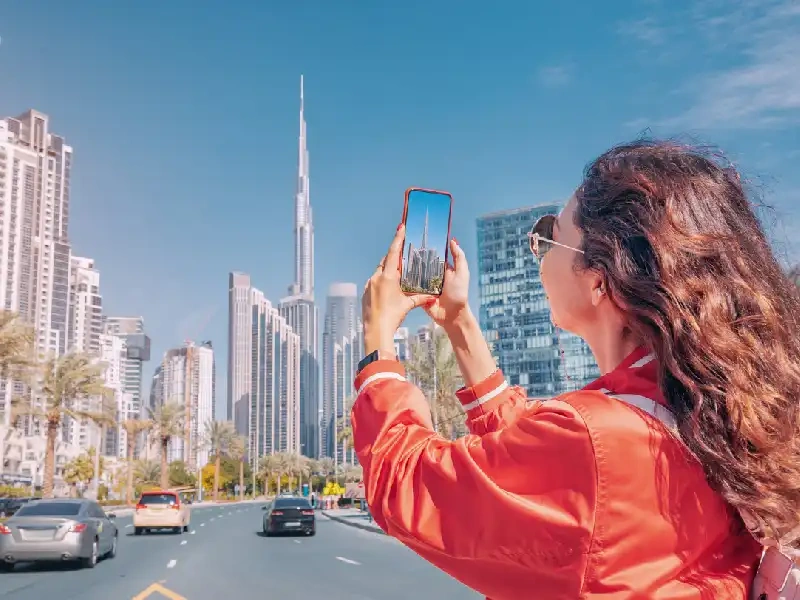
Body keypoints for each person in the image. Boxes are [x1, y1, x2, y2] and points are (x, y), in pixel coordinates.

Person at [351, 140, 800, 599]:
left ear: (600, 279)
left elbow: (408, 485)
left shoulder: (597, 442)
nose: (539, 252)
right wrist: (459, 322)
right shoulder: (703, 409)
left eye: (550, 236)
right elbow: (537, 457)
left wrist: (378, 338)